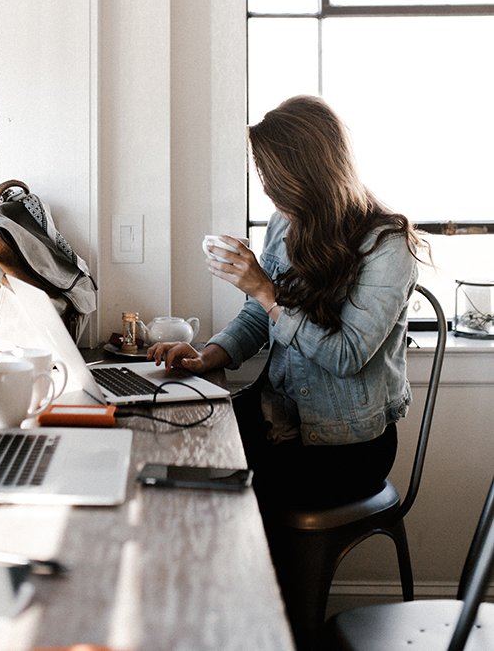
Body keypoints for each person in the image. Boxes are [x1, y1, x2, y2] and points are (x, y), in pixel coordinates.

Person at [147, 94, 430, 512]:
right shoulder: (286, 222)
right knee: (171, 448)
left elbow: (346, 355)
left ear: (310, 174)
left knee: (213, 495)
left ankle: (254, 576)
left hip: (344, 446)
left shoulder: (387, 246)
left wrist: (266, 290)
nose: (267, 190)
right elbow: (258, 315)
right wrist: (209, 356)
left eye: (274, 178)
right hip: (277, 418)